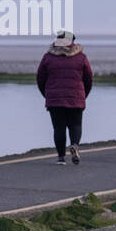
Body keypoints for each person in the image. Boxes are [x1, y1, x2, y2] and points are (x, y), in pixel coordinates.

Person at [36, 29, 93, 165]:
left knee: (59, 127)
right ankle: (74, 145)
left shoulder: (48, 57)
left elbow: (40, 79)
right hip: (76, 97)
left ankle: (61, 158)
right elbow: (89, 78)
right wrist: (83, 95)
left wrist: (48, 95)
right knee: (76, 124)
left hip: (54, 99)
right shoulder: (81, 57)